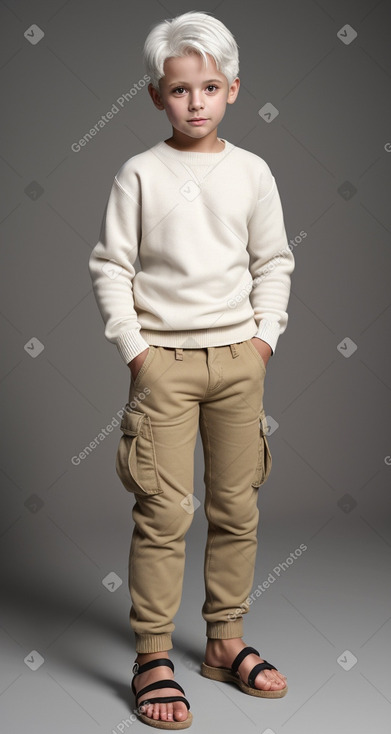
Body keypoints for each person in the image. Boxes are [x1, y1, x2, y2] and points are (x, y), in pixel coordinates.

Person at [88, 10, 294, 729]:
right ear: (156, 96)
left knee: (237, 507)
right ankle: (151, 655)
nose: (196, 102)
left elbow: (273, 262)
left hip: (240, 361)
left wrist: (263, 338)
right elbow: (111, 266)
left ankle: (224, 641)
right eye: (180, 90)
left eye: (210, 86)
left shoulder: (252, 172)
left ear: (233, 89)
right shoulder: (139, 174)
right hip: (163, 365)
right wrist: (137, 353)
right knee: (163, 512)